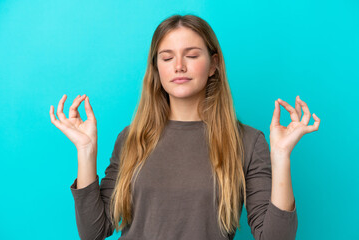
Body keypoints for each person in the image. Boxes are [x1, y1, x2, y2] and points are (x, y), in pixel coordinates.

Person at [49, 14, 320, 240]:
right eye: (167, 58)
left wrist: (281, 156)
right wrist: (85, 151)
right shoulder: (131, 138)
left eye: (191, 55)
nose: (178, 66)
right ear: (156, 69)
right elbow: (94, 231)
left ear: (213, 64)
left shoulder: (248, 141)